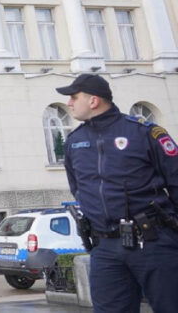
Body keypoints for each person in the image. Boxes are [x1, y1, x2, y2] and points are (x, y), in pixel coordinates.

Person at [57, 73, 178, 312]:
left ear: (93, 101)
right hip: (106, 247)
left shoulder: (144, 133)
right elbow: (78, 188)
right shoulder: (74, 141)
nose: (69, 103)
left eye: (73, 97)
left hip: (153, 242)